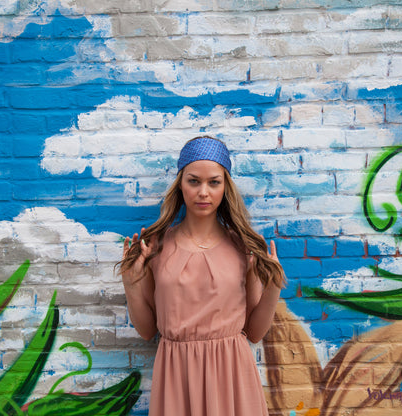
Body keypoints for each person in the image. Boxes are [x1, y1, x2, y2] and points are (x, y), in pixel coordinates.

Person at [118, 136, 286, 416]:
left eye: (214, 182)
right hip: (176, 377)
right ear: (180, 185)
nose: (203, 192)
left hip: (232, 376)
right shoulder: (156, 246)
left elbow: (255, 332)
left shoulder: (245, 247)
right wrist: (130, 283)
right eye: (194, 181)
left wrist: (274, 288)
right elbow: (148, 331)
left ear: (225, 187)